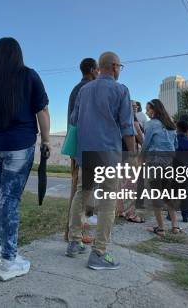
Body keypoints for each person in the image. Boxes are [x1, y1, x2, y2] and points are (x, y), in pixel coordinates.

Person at [0, 37, 50, 281]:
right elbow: (42, 110)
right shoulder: (29, 76)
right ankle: (8, 260)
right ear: (18, 54)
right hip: (19, 144)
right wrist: (46, 140)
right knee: (10, 200)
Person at [66, 51, 136, 270]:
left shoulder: (84, 90)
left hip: (86, 153)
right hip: (108, 154)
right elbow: (127, 126)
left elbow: (73, 120)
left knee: (82, 194)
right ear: (114, 66)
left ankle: (74, 242)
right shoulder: (120, 90)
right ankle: (99, 253)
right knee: (107, 203)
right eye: (120, 67)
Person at [64, 58, 99, 242]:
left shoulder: (77, 88)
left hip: (76, 143)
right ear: (93, 70)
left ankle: (71, 232)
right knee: (80, 189)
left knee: (79, 188)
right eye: (98, 70)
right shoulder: (87, 89)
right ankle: (72, 233)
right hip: (84, 145)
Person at [141, 99, 178, 236]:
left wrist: (140, 158)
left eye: (148, 109)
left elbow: (146, 144)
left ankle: (161, 228)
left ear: (155, 110)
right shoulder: (171, 126)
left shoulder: (151, 124)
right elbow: (176, 146)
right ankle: (175, 226)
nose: (146, 111)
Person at [117, 99, 144, 223]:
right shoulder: (133, 121)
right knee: (131, 186)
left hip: (120, 155)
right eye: (132, 106)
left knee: (122, 185)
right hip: (129, 156)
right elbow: (140, 138)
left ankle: (120, 210)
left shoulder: (120, 119)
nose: (135, 108)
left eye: (136, 106)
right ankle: (130, 213)